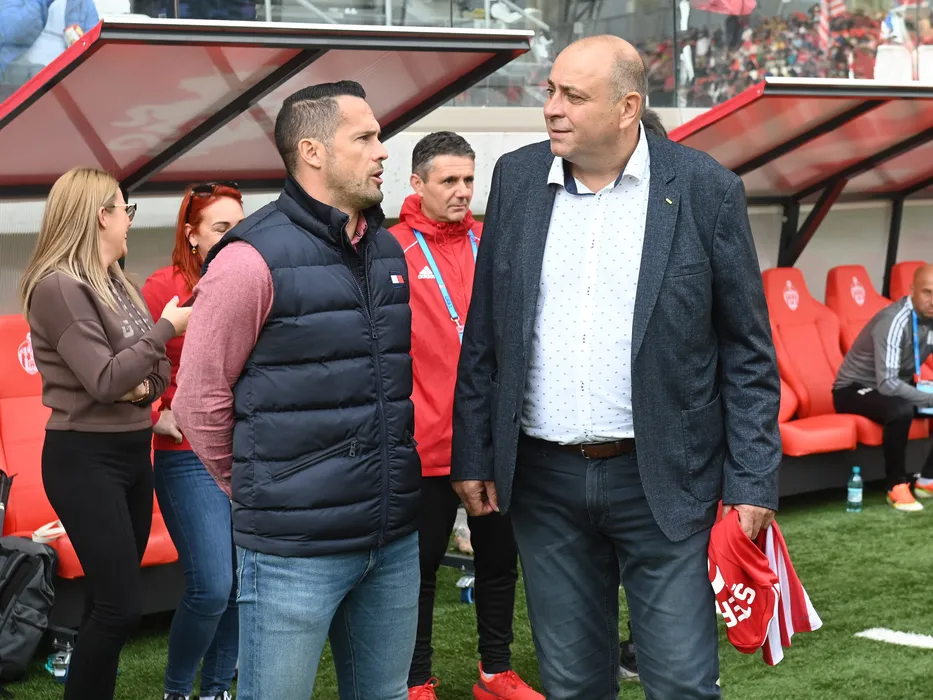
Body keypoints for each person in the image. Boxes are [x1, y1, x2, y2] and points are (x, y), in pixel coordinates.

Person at [451, 35, 781, 700]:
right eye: (550, 91)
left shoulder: (705, 189)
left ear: (627, 107)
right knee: (573, 686)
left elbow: (747, 351)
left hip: (666, 478)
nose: (552, 108)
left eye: (573, 96)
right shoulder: (517, 179)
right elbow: (485, 330)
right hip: (543, 482)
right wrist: (473, 453)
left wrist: (752, 482)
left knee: (682, 683)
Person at [173, 80, 421, 700]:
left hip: (392, 539)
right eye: (365, 138)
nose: (383, 151)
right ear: (312, 151)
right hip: (293, 552)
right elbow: (197, 402)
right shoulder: (248, 260)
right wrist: (267, 487)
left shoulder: (386, 248)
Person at [18, 167, 189, 700]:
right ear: (101, 216)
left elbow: (154, 375)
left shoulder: (116, 280)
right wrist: (164, 329)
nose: (130, 220)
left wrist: (139, 384)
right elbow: (107, 378)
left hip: (130, 453)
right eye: (125, 209)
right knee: (120, 607)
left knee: (107, 603)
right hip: (85, 459)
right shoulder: (60, 288)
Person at [389, 131, 543, 700]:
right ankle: (416, 680)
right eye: (448, 180)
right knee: (420, 570)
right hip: (424, 443)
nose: (462, 191)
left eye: (469, 179)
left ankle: (494, 672)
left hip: (493, 441)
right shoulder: (390, 251)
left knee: (500, 560)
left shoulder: (491, 241)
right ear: (417, 183)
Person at [141, 183, 245, 700]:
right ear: (192, 234)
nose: (233, 237)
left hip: (246, 452)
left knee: (241, 586)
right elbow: (132, 358)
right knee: (212, 585)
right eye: (221, 228)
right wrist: (155, 414)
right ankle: (178, 691)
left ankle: (217, 689)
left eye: (240, 226)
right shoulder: (164, 285)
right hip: (187, 456)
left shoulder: (252, 275)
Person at [833, 263, 933, 512]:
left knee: (906, 402)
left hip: (897, 385)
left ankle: (927, 480)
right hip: (853, 389)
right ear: (912, 290)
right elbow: (887, 384)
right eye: (927, 292)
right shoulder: (893, 321)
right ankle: (896, 485)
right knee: (901, 409)